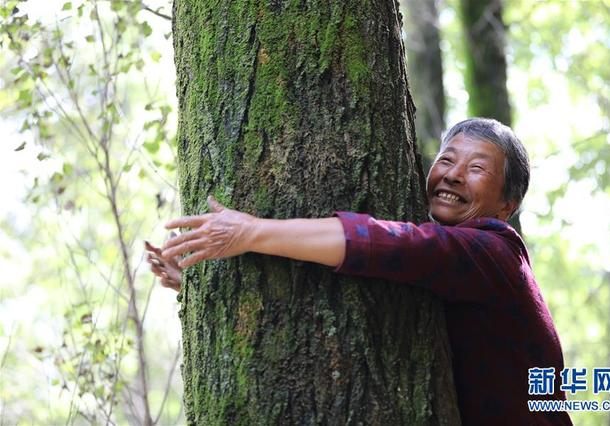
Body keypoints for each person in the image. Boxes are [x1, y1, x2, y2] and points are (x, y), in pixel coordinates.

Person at [146, 118, 573, 425]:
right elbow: (347, 298)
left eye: (477, 169)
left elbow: (394, 245)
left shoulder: (495, 253)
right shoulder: (454, 272)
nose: (454, 176)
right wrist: (207, 284)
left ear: (506, 206)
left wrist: (252, 231)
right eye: (447, 159)